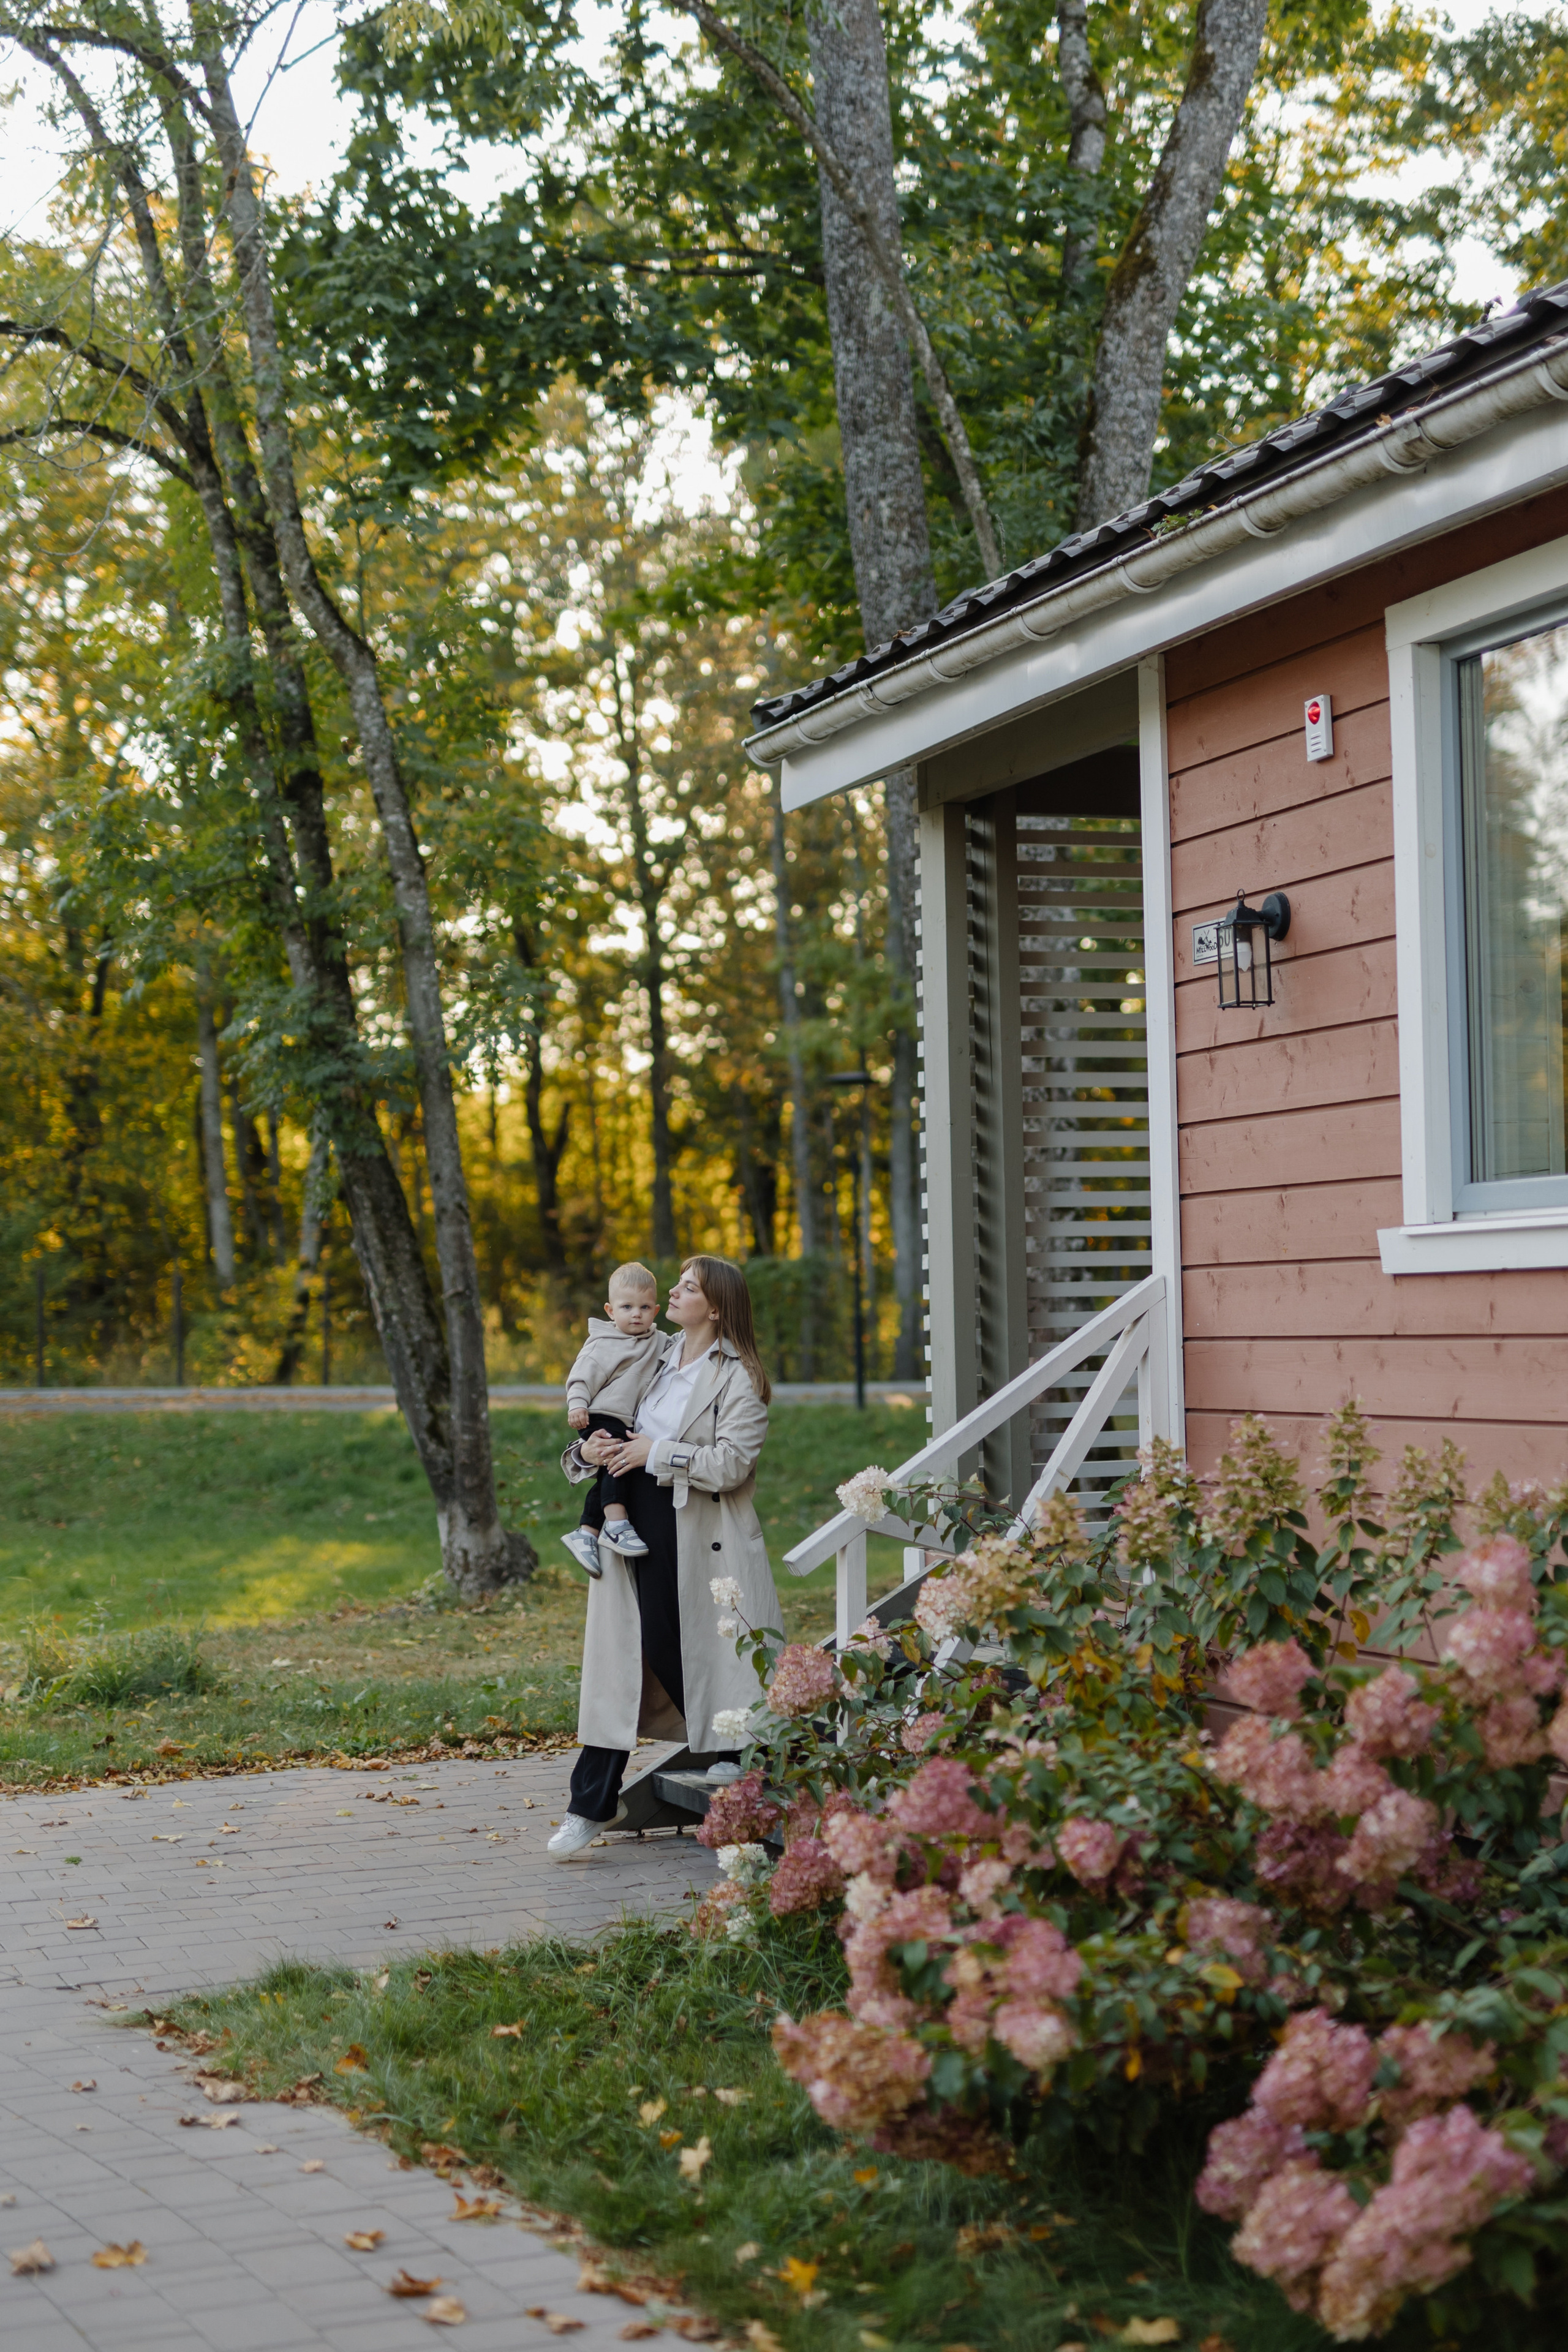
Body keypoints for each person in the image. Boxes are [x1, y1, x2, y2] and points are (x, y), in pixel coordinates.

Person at [547, 1254, 781, 1861]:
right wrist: (586, 1453)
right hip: (625, 1521)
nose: (671, 1292)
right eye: (676, 1284)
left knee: (678, 1647)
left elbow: (732, 1465)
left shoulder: (740, 1376)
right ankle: (591, 1804)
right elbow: (604, 1416)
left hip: (696, 1532)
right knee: (619, 1669)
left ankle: (748, 1750)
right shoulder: (650, 1351)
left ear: (717, 1308)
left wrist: (656, 1452)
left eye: (687, 1287)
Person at [559, 1262, 667, 1578]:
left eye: (644, 1307)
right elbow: (581, 1377)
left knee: (614, 1468)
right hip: (599, 1415)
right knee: (618, 1460)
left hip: (624, 1420)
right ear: (610, 1310)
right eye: (627, 1307)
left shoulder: (658, 1340)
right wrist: (577, 1405)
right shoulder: (603, 1343)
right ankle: (617, 1524)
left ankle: (587, 1532)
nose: (636, 1314)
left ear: (655, 1310)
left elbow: (681, 1346)